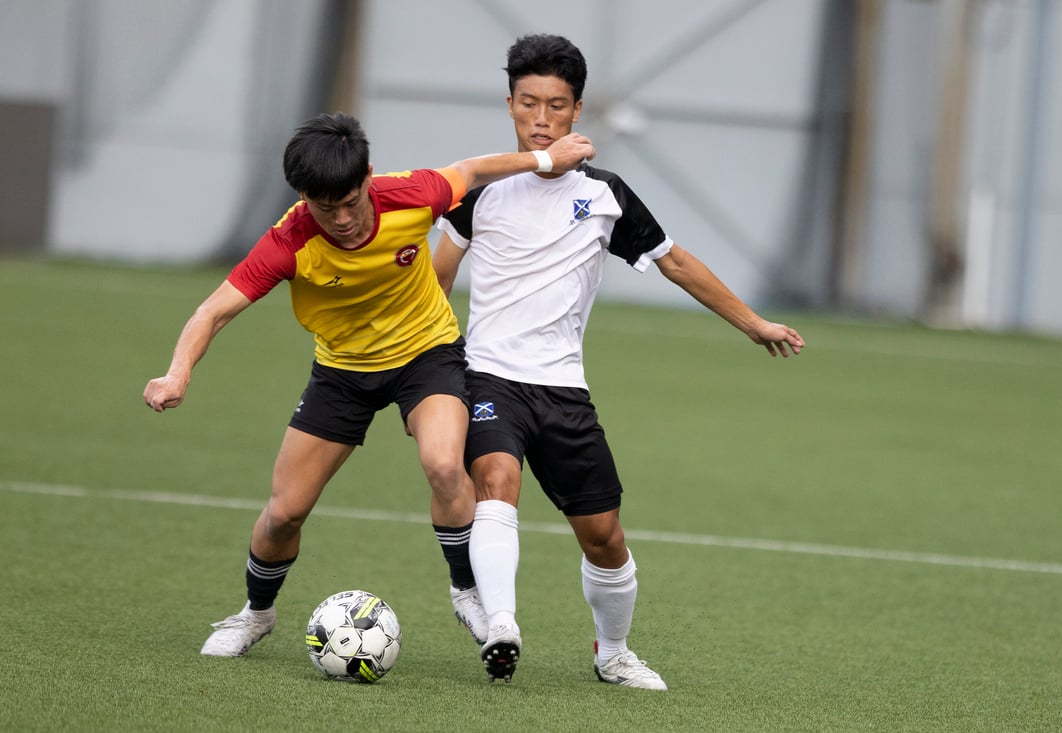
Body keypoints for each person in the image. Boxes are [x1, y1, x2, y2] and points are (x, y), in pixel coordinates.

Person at [143, 112, 594, 658]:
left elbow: (473, 169)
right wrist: (178, 372)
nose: (342, 220)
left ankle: (465, 590)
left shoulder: (411, 195)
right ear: (303, 198)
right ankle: (256, 614)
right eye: (325, 208)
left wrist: (547, 158)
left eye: (351, 202)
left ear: (369, 176)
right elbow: (212, 312)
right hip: (342, 372)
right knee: (285, 512)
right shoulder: (289, 240)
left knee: (444, 463)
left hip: (427, 355)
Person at [433, 34, 804, 689]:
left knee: (604, 535)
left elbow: (675, 262)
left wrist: (753, 323)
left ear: (577, 111)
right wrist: (428, 372)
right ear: (510, 104)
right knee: (496, 479)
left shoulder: (605, 194)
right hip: (489, 375)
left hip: (563, 389)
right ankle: (502, 626)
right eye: (527, 103)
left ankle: (613, 653)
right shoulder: (479, 188)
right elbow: (436, 279)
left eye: (555, 105)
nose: (540, 118)